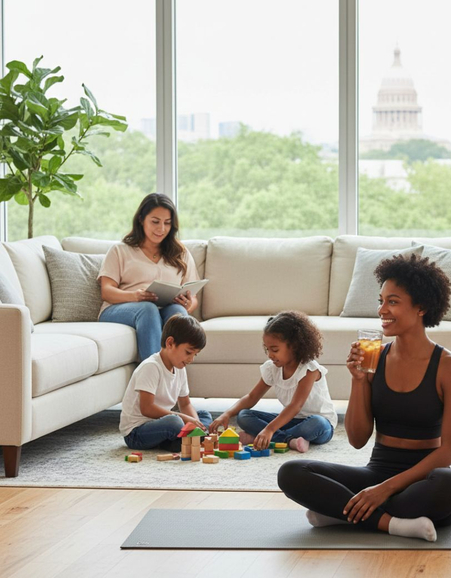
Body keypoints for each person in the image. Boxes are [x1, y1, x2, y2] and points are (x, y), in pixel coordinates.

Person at [277, 254, 451, 542]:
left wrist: (386, 489)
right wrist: (359, 381)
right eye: (381, 301)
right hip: (376, 472)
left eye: (392, 301)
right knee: (292, 471)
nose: (382, 310)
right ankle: (394, 524)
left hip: (423, 480)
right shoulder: (375, 357)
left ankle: (340, 513)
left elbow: (450, 453)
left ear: (421, 307)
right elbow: (357, 439)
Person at [209, 311, 337, 453]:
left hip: (320, 424)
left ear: (294, 346)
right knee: (244, 416)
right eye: (267, 349)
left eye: (275, 349)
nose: (270, 355)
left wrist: (269, 429)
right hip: (289, 421)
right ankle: (288, 440)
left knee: (316, 424)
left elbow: (296, 406)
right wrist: (227, 414)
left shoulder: (309, 369)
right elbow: (252, 397)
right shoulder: (272, 368)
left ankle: (266, 436)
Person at [98, 193, 200, 361]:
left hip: (165, 307)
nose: (161, 229)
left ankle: (174, 378)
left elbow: (193, 297)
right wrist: (135, 296)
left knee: (178, 313)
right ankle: (153, 377)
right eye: (155, 222)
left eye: (167, 223)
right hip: (121, 309)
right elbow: (106, 291)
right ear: (141, 219)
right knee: (148, 309)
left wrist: (188, 305)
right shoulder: (120, 250)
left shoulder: (180, 253)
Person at [119, 314, 212, 452]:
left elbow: (185, 404)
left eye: (195, 354)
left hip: (161, 424)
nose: (191, 359)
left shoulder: (180, 368)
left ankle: (181, 440)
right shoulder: (151, 367)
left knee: (203, 415)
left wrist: (196, 425)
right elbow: (147, 408)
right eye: (188, 352)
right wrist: (183, 418)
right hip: (137, 432)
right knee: (174, 422)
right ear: (170, 343)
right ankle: (182, 440)